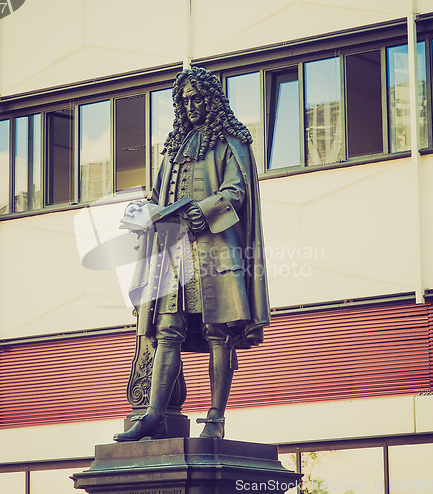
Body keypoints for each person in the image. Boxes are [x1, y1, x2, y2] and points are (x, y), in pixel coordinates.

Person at [114, 66, 270, 442]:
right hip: (173, 252)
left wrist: (205, 210)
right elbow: (157, 197)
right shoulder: (172, 149)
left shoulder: (231, 142)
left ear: (211, 99)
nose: (191, 105)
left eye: (197, 98)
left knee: (219, 331)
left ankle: (215, 418)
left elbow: (237, 191)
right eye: (184, 101)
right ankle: (153, 415)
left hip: (215, 249)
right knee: (167, 328)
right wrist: (142, 213)